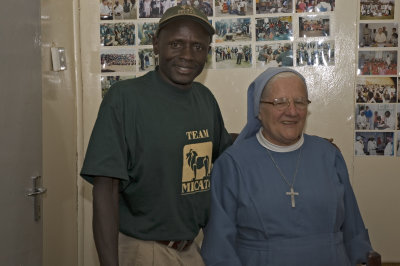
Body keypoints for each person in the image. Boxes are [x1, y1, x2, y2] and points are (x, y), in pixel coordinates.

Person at [81, 5, 232, 266]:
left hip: (191, 250)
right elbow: (106, 190)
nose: (187, 55)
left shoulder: (204, 99)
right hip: (144, 251)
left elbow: (221, 147)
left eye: (198, 47)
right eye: (176, 44)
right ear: (155, 44)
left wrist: (290, 141)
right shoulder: (125, 99)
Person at [201, 67, 372, 265]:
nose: (292, 111)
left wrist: (363, 258)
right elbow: (219, 247)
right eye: (279, 102)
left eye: (299, 102)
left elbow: (354, 229)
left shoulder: (329, 155)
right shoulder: (232, 164)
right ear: (258, 110)